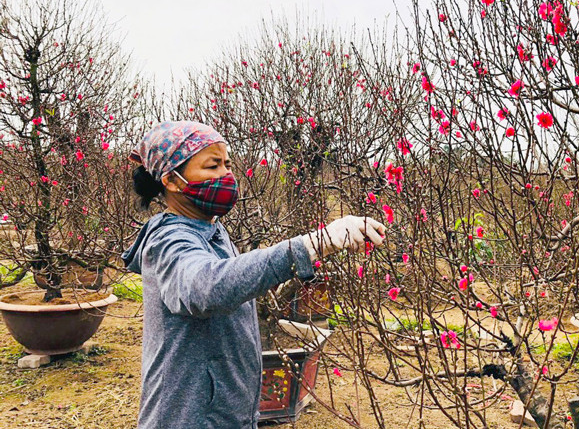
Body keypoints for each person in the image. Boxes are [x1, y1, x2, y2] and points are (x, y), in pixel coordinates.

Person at [120, 121, 386, 428]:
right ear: (172, 180)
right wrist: (311, 245)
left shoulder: (211, 230)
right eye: (212, 165)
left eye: (227, 164)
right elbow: (206, 288)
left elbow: (236, 280)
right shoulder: (169, 241)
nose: (226, 175)